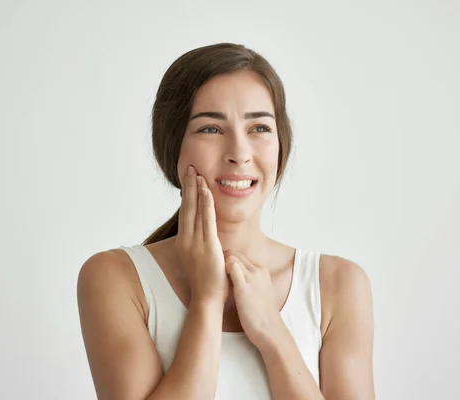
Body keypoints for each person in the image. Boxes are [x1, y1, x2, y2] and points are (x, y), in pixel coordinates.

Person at [77, 42, 374, 399]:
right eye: (211, 130)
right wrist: (206, 300)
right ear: (173, 145)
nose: (239, 153)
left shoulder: (339, 285)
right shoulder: (116, 279)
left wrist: (272, 331)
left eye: (259, 128)